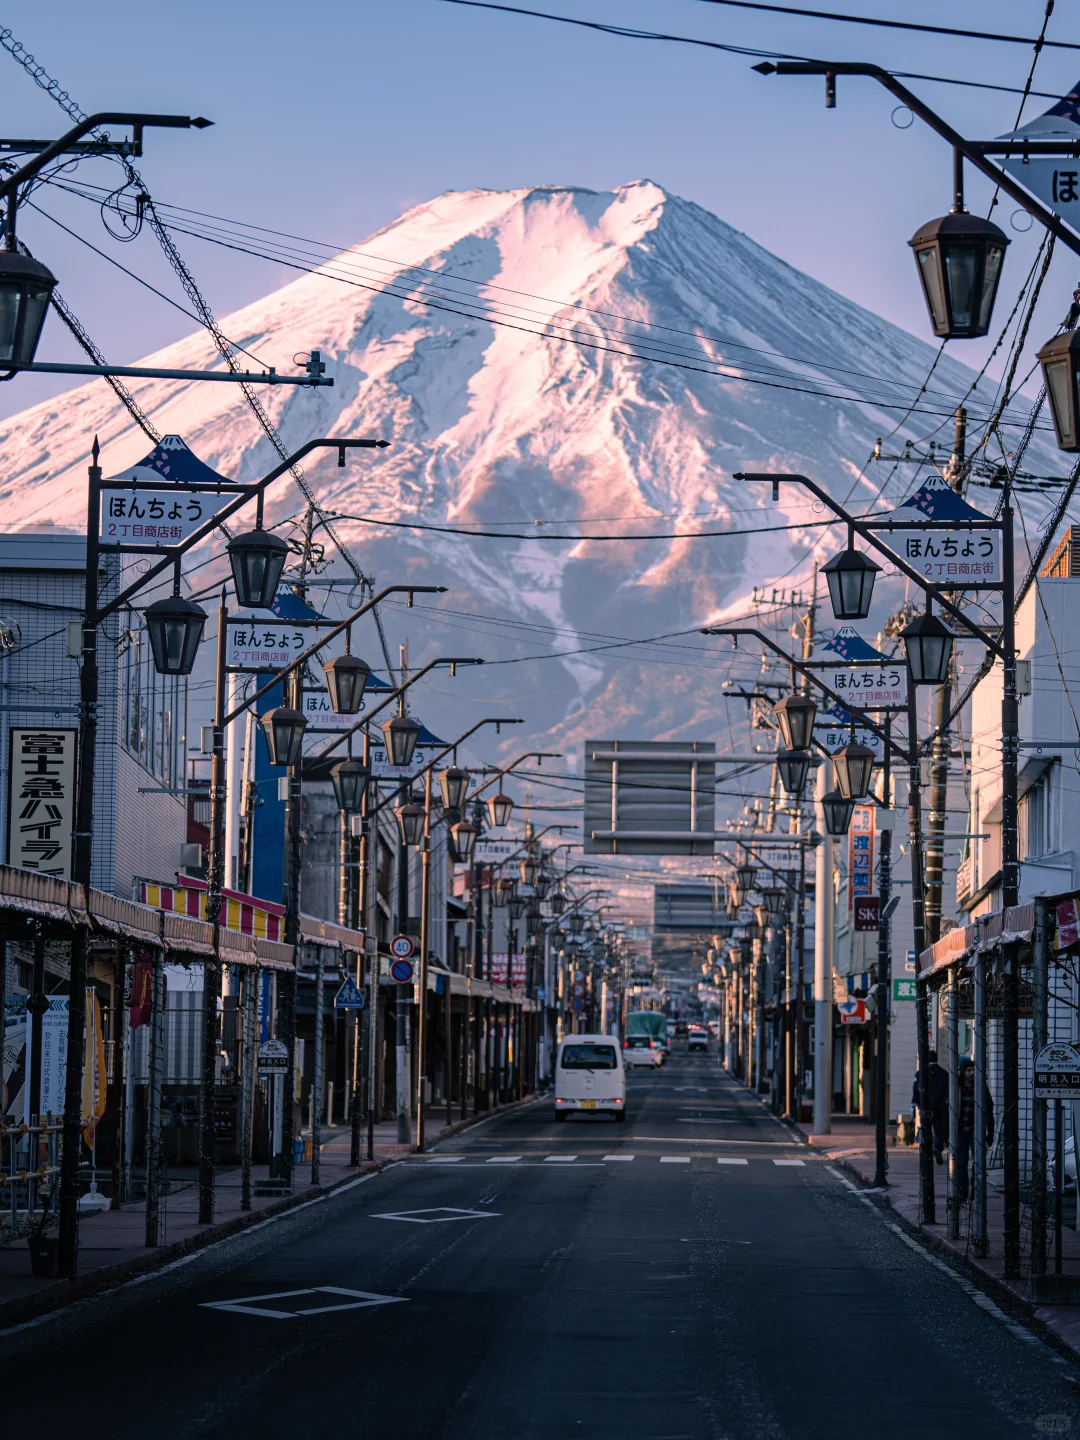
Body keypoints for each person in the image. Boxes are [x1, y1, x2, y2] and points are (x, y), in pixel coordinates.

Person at [957, 1057, 994, 1202]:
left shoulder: (980, 1087)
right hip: (960, 1130)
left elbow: (989, 1109)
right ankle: (963, 1192)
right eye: (968, 1070)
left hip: (975, 1130)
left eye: (973, 1070)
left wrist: (990, 1132)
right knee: (961, 1162)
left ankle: (976, 1192)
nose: (972, 1073)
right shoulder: (956, 1087)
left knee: (978, 1161)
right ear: (963, 1072)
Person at [912, 1049, 949, 1164]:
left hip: (925, 1106)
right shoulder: (944, 1074)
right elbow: (948, 1091)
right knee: (939, 1130)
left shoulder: (920, 1073)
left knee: (925, 1129)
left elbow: (915, 1090)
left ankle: (926, 1152)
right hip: (940, 1106)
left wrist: (914, 1104)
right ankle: (937, 1148)